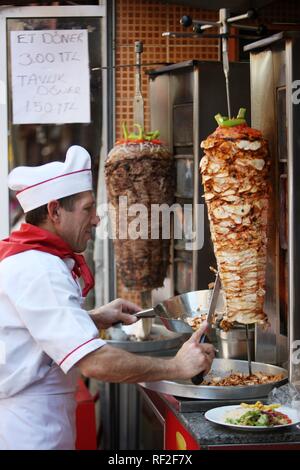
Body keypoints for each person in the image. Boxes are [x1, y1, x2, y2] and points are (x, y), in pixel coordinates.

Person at [0, 145, 215, 450]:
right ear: (54, 211)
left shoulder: (31, 259)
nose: (96, 220)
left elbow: (31, 330)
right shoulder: (40, 269)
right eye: (88, 209)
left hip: (33, 422)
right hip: (32, 432)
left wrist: (93, 318)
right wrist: (177, 367)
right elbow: (95, 363)